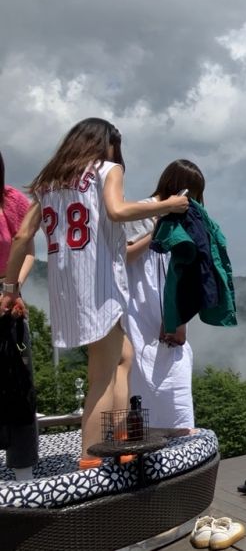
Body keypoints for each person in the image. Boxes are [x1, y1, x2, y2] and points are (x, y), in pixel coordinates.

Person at [1, 118, 189, 468]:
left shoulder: (49, 182)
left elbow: (22, 237)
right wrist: (167, 206)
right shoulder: (107, 169)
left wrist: (11, 288)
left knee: (123, 358)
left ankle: (118, 439)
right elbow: (118, 211)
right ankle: (91, 458)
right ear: (106, 144)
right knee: (102, 376)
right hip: (100, 286)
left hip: (66, 289)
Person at [122, 160, 205, 432]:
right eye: (191, 194)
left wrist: (180, 319)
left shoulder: (185, 221)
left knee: (178, 396)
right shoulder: (143, 211)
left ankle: (182, 449)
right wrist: (156, 230)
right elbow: (126, 256)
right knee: (141, 392)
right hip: (139, 312)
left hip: (169, 317)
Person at [0, 148, 37, 480]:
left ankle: (24, 472)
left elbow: (28, 250)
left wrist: (12, 289)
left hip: (9, 295)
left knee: (19, 382)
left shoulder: (11, 200)